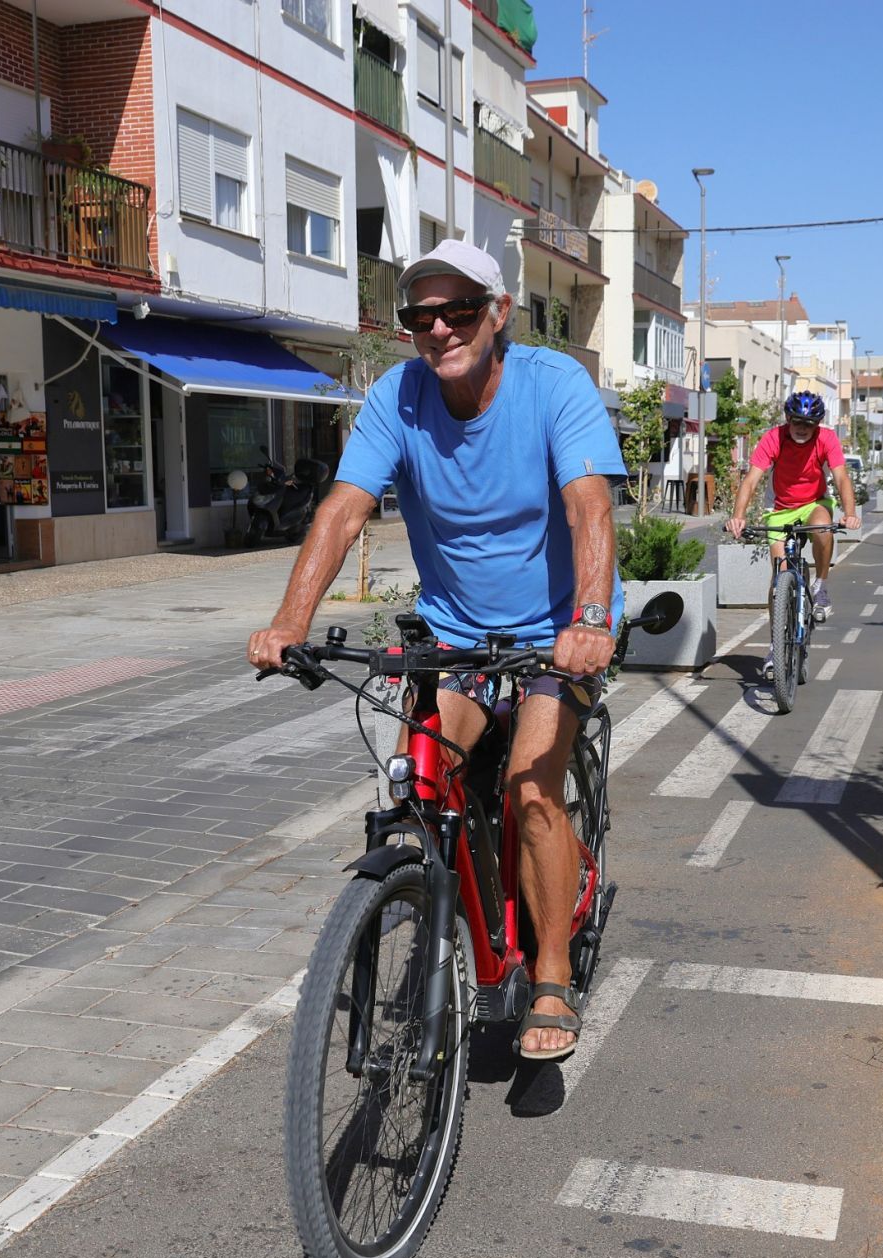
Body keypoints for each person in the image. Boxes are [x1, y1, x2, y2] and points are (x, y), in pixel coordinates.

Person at [247, 240, 624, 1063]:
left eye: (460, 310)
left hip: (556, 632)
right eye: (423, 316)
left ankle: (552, 974)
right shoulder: (398, 396)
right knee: (420, 779)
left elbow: (590, 509)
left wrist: (591, 619)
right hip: (456, 633)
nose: (442, 328)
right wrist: (290, 621)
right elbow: (345, 510)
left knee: (531, 791)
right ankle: (446, 895)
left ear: (499, 314)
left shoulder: (553, 385)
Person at [725, 391, 861, 679]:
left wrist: (850, 513)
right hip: (780, 509)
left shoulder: (827, 439)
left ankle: (821, 586)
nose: (802, 428)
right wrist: (738, 517)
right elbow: (751, 480)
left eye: (809, 423)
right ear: (787, 419)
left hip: (814, 504)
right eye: (797, 421)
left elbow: (841, 477)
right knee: (778, 583)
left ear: (818, 424)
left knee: (824, 527)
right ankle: (776, 647)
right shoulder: (773, 438)